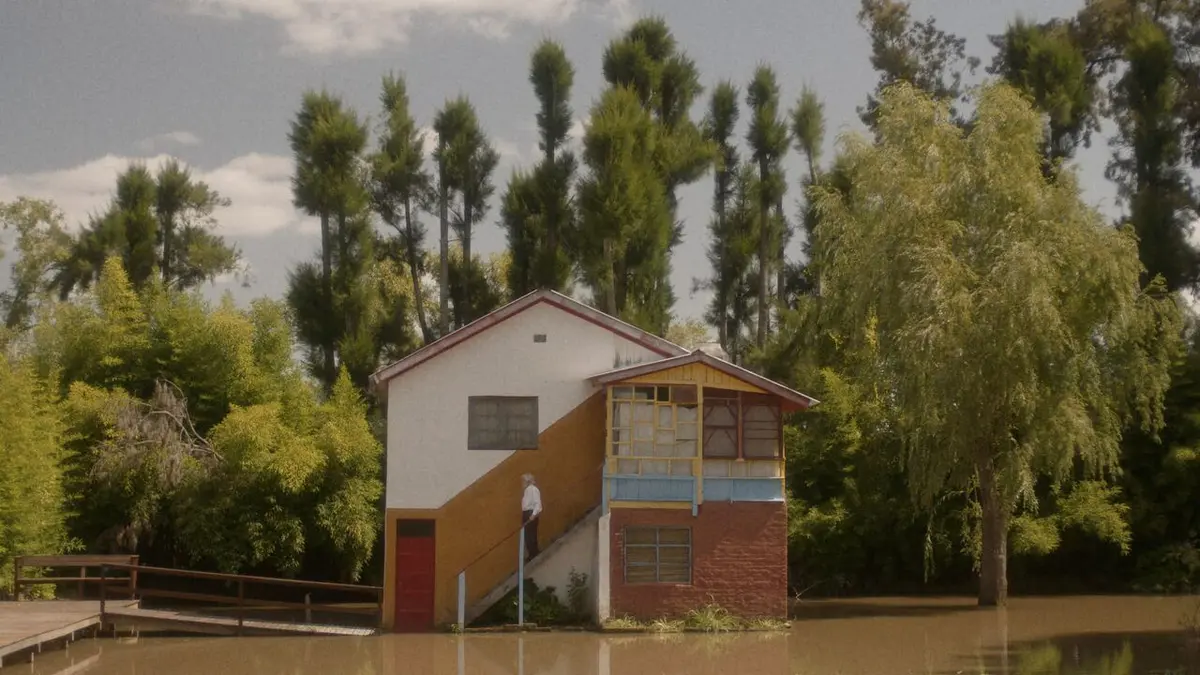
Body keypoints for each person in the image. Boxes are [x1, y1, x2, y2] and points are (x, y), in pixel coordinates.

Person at [521, 474, 542, 562]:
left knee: (530, 535)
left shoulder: (533, 489)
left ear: (527, 481)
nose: (522, 483)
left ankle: (534, 553)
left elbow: (538, 503)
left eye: (523, 481)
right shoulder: (527, 490)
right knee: (528, 535)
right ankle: (532, 553)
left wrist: (533, 514)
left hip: (530, 513)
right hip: (527, 513)